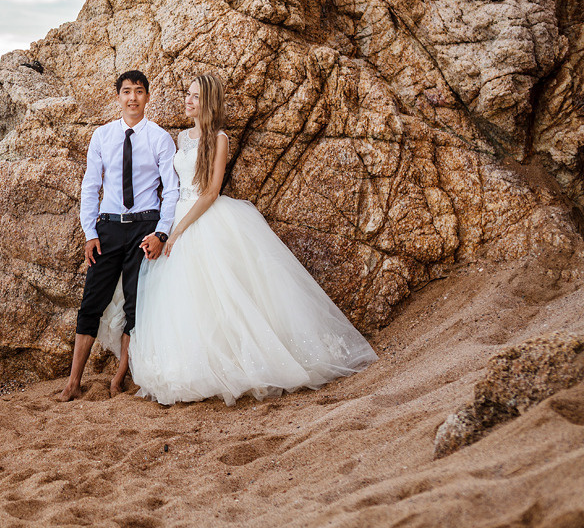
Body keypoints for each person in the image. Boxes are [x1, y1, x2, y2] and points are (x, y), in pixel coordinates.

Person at [98, 73, 377, 405]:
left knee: (221, 294)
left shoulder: (219, 139)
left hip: (203, 216)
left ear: (209, 102)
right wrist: (162, 226)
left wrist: (177, 232)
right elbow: (170, 187)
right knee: (177, 297)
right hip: (175, 215)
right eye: (188, 94)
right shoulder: (181, 138)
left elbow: (212, 191)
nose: (188, 100)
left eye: (195, 97)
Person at [58, 70, 180, 402]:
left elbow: (171, 190)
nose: (132, 98)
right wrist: (90, 233)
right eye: (126, 92)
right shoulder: (103, 136)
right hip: (109, 228)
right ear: (118, 97)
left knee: (136, 305)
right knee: (91, 302)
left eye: (139, 92)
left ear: (147, 97)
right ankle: (73, 382)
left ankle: (119, 376)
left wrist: (161, 233)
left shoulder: (159, 138)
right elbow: (90, 186)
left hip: (145, 227)